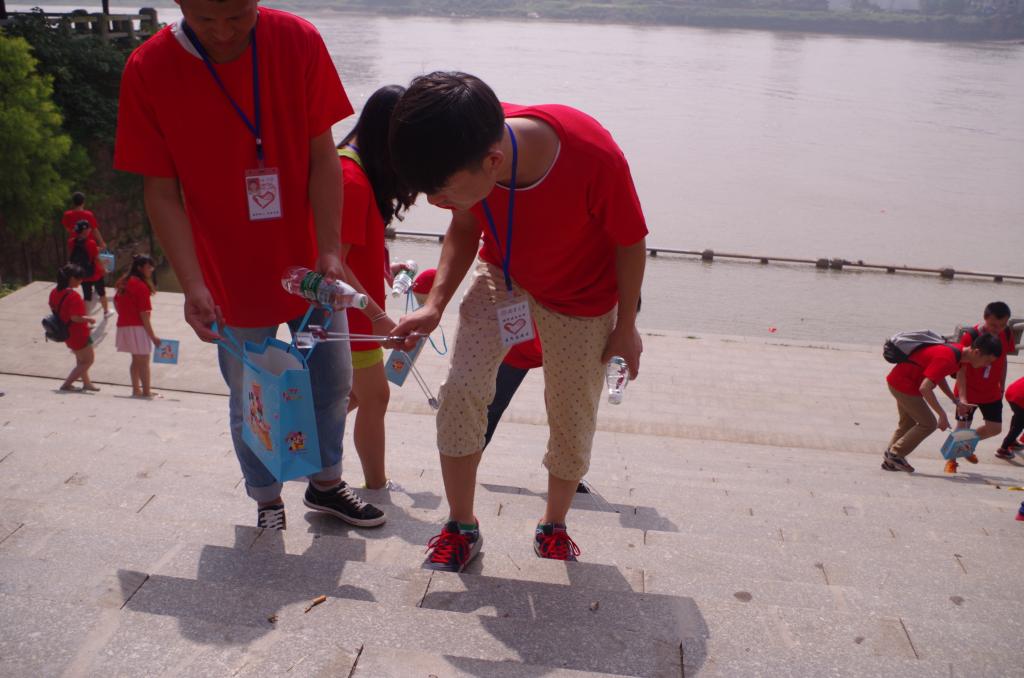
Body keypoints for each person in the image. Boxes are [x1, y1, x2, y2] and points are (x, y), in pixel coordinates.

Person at [114, 0, 384, 530]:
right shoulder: (149, 68)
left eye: (237, 16)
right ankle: (267, 500)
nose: (222, 31)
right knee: (250, 394)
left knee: (332, 380)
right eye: (205, 19)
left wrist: (330, 248)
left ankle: (326, 484)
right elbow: (161, 191)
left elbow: (323, 154)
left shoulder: (297, 40)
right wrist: (192, 283)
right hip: (227, 269)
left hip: (309, 265)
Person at [389, 72, 647, 570]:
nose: (438, 205)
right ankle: (461, 525)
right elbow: (465, 225)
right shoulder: (467, 135)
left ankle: (553, 524)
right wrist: (434, 305)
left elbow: (631, 242)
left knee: (571, 413)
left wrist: (625, 328)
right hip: (503, 275)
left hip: (581, 297)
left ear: (493, 162)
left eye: (443, 193)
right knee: (460, 390)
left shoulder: (593, 157)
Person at [336, 85, 415, 489]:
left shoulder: (352, 168)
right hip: (351, 318)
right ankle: (376, 484)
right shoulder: (351, 179)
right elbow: (336, 262)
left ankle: (300, 450)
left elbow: (354, 250)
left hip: (353, 314)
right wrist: (378, 317)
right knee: (375, 397)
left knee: (348, 397)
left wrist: (385, 268)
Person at [882, 333, 1002, 473]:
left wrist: (955, 400)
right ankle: (895, 454)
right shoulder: (948, 358)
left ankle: (890, 462)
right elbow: (925, 388)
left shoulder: (959, 354)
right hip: (904, 385)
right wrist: (942, 415)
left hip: (900, 381)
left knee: (907, 424)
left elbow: (938, 376)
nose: (987, 365)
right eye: (987, 361)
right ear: (976, 352)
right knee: (928, 424)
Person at [947, 301, 1018, 472]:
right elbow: (961, 369)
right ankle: (951, 460)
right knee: (962, 427)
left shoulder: (1007, 333)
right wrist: (962, 398)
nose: (997, 329)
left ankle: (965, 445)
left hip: (991, 391)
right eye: (993, 325)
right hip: (969, 391)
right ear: (985, 318)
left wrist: (1002, 385)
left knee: (994, 428)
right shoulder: (971, 336)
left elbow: (1003, 359)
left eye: (1002, 325)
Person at [115, 254, 161, 398]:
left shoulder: (123, 281)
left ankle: (136, 390)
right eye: (149, 267)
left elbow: (116, 302)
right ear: (140, 268)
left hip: (124, 325)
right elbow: (144, 315)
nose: (151, 270)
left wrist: (125, 314)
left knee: (136, 359)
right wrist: (153, 336)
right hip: (138, 327)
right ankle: (146, 392)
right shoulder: (141, 286)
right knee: (144, 360)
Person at [50, 264, 98, 392]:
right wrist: (89, 319)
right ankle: (67, 384)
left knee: (80, 360)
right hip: (78, 333)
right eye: (79, 278)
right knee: (88, 360)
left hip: (65, 331)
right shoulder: (73, 296)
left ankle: (87, 383)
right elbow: (75, 317)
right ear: (71, 278)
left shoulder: (54, 292)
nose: (81, 281)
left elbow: (54, 309)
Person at [68, 220, 111, 317]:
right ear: (84, 231)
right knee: (102, 293)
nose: (90, 230)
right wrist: (103, 270)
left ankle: (87, 317)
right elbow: (96, 259)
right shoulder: (91, 243)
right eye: (89, 228)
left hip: (82, 273)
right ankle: (106, 312)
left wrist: (95, 249)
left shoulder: (71, 242)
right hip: (95, 273)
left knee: (87, 296)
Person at [995, 376, 1024, 462]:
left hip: (1011, 392)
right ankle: (1003, 449)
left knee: (1018, 416)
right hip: (1020, 397)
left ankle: (1012, 441)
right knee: (1019, 424)